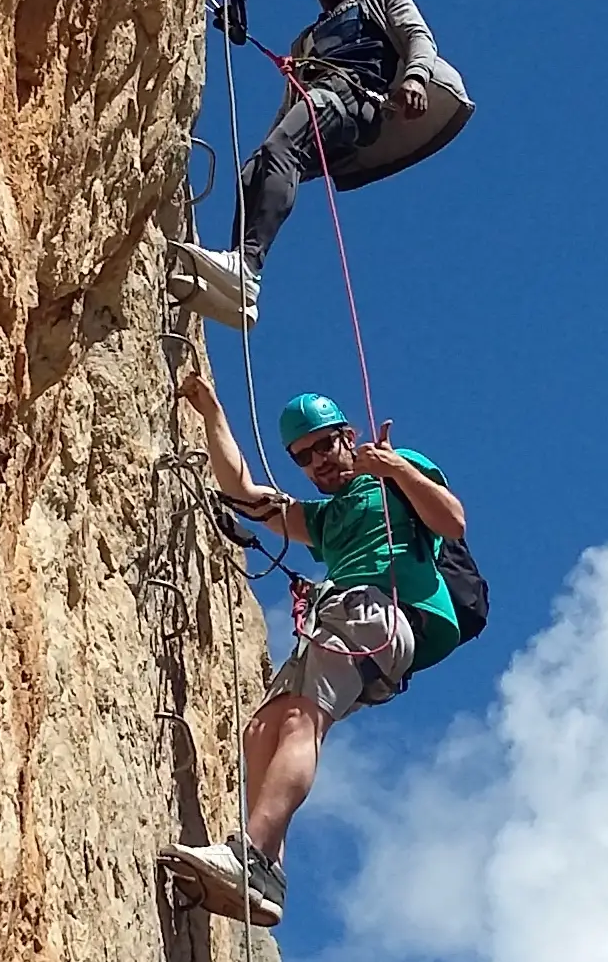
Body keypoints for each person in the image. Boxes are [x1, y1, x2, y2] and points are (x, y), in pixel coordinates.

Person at [156, 371, 468, 926]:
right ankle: (266, 869)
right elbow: (246, 497)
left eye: (325, 443)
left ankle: (249, 855)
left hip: (378, 614)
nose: (319, 461)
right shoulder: (324, 520)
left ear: (348, 435)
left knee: (302, 721)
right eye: (304, 456)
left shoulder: (388, 480)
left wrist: (393, 467)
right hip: (352, 622)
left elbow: (451, 519)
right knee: (262, 729)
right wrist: (211, 413)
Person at [167, 0, 475, 327]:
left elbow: (417, 36)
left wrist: (415, 78)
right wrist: (267, 153)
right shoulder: (305, 43)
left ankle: (246, 269)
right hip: (321, 105)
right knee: (253, 170)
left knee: (281, 148)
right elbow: (290, 104)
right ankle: (239, 289)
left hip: (355, 101)